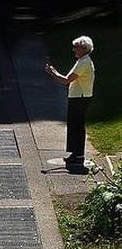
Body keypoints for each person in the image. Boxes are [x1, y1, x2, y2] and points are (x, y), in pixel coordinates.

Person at [46, 36, 95, 173]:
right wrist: (54, 73)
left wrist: (52, 73)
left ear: (83, 49)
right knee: (74, 125)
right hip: (77, 97)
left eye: (76, 47)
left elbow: (66, 80)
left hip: (80, 98)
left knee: (77, 125)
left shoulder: (83, 63)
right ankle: (75, 153)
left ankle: (78, 155)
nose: (74, 49)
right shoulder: (82, 61)